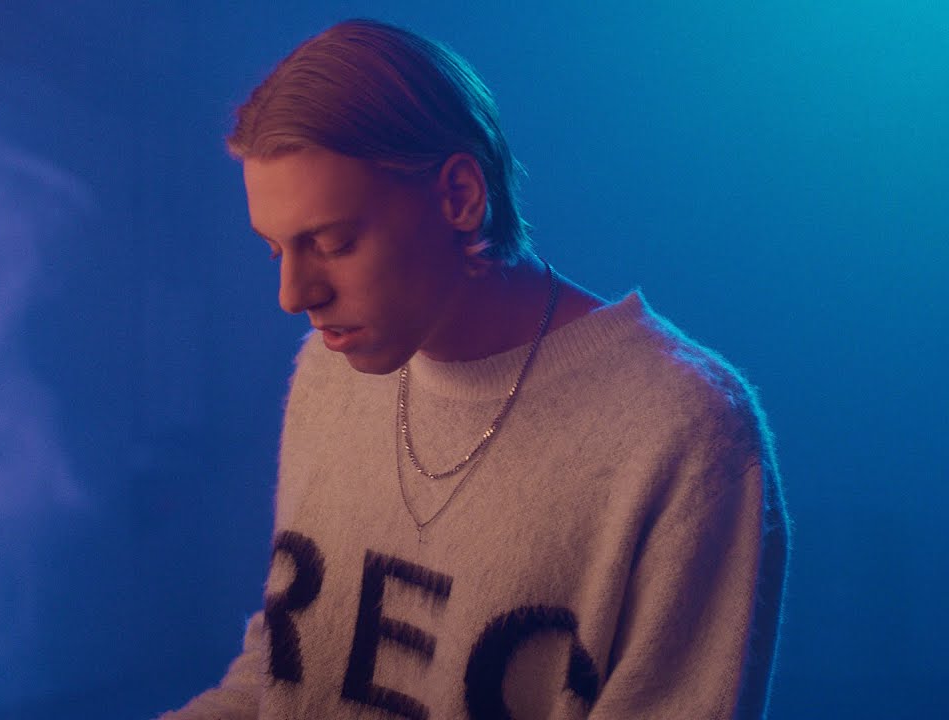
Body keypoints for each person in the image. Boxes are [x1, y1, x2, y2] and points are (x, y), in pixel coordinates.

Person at [162, 18, 789, 720]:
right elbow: (285, 672)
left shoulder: (683, 431)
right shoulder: (326, 370)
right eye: (276, 250)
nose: (293, 295)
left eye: (333, 243)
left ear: (460, 196)